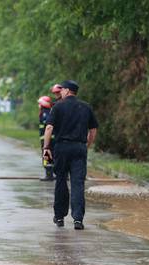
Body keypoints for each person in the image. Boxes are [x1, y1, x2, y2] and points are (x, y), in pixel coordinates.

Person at [43, 80, 98, 230]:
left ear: (67, 91)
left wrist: (46, 147)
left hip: (61, 148)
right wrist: (86, 145)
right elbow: (93, 130)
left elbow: (48, 128)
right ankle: (78, 220)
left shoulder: (58, 106)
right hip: (79, 148)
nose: (59, 92)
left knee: (61, 180)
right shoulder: (86, 107)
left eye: (61, 90)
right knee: (77, 183)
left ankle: (59, 217)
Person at [38, 96, 54, 181]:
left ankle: (49, 175)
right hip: (48, 139)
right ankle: (50, 174)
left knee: (47, 156)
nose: (38, 106)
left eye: (39, 104)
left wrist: (45, 142)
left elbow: (47, 127)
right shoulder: (47, 112)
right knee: (49, 156)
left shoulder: (45, 113)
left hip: (47, 140)